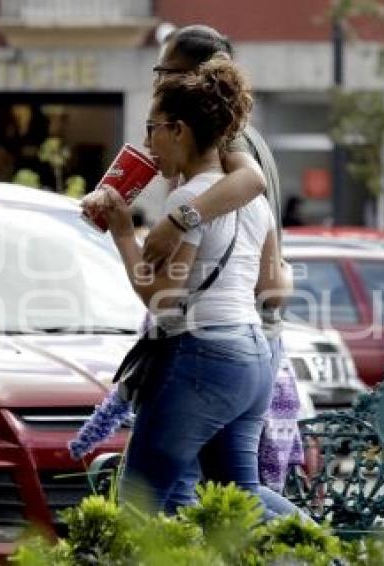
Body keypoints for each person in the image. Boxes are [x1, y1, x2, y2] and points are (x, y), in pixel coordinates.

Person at [92, 55, 301, 519]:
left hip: (204, 355)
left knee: (138, 502)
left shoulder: (188, 198)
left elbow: (162, 300)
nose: (149, 143)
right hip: (251, 357)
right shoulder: (253, 200)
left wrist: (124, 235)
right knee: (240, 498)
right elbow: (271, 286)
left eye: (153, 128)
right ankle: (322, 551)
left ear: (180, 130)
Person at [143, 24, 304, 493]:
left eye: (163, 71)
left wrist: (178, 221)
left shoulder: (230, 142)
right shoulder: (245, 136)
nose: (157, 82)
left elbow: (250, 181)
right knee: (232, 497)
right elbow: (273, 274)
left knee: (167, 489)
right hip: (254, 332)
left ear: (193, 78)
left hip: (219, 335)